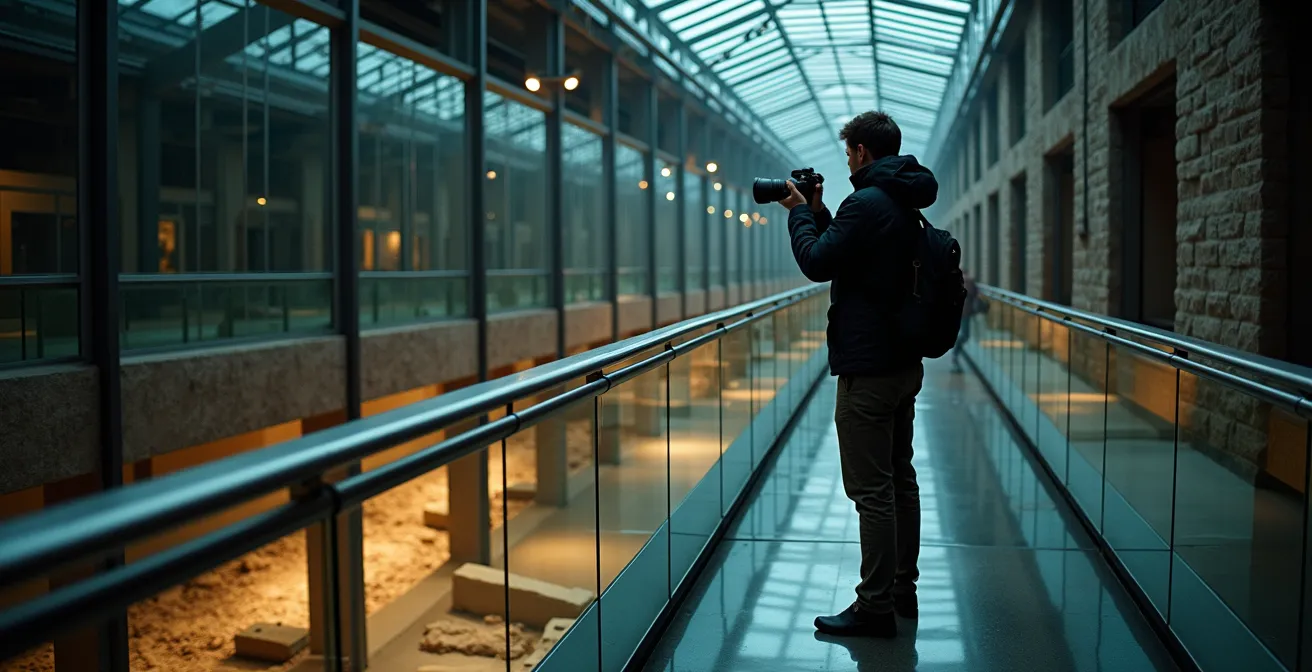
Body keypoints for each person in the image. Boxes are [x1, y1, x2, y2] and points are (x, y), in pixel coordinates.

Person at [778, 111, 938, 639]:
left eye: (848, 153)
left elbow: (818, 263)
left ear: (863, 152)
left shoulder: (866, 201)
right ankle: (901, 588)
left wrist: (799, 215)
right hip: (901, 363)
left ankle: (873, 607)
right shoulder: (901, 201)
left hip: (868, 368)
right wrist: (822, 212)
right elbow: (855, 258)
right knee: (900, 476)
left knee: (872, 488)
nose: (846, 161)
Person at [952, 271, 980, 373]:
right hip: (965, 312)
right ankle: (955, 353)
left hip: (961, 312)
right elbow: (975, 294)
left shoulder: (960, 280)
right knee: (964, 335)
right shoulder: (969, 281)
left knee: (963, 334)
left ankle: (955, 353)